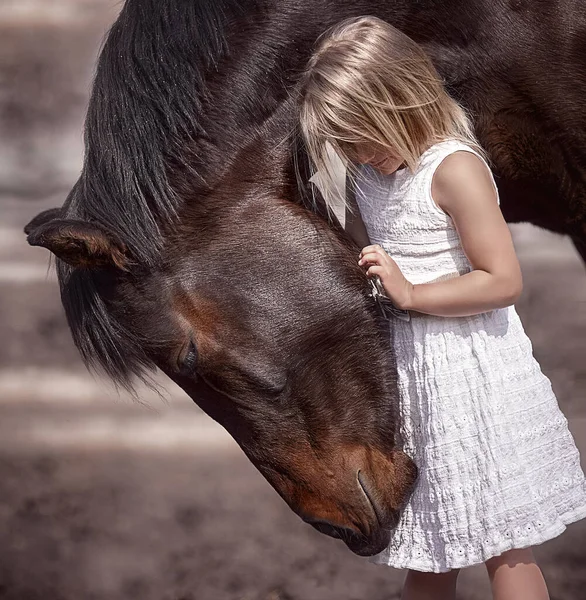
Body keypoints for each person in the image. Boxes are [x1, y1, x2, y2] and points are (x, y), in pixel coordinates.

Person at [296, 15, 586, 600]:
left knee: (506, 548)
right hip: (415, 385)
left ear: (397, 106)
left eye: (358, 136)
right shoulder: (371, 175)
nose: (353, 152)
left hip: (474, 376)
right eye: (342, 142)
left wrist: (411, 294)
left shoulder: (455, 170)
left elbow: (502, 280)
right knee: (431, 553)